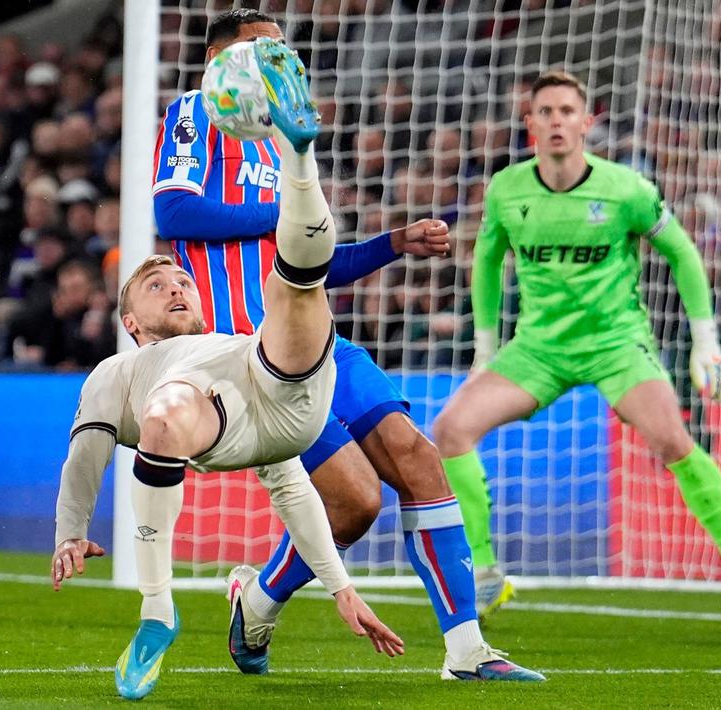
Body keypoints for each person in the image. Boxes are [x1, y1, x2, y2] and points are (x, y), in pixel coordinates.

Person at [150, 9, 542, 682]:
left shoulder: (286, 142)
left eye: (281, 51)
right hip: (250, 357)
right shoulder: (194, 113)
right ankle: (263, 600)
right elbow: (173, 212)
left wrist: (392, 245)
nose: (275, 63)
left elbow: (312, 260)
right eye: (257, 50)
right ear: (218, 60)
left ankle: (467, 651)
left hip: (319, 338)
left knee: (417, 458)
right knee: (356, 505)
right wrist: (284, 215)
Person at [51, 44, 402, 702]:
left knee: (294, 288)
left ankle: (299, 155)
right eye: (158, 284)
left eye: (183, 276)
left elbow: (291, 484)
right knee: (167, 410)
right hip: (212, 419)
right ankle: (158, 612)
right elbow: (84, 459)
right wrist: (70, 533)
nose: (178, 285)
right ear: (131, 322)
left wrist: (342, 590)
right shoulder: (114, 376)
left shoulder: (221, 340)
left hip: (276, 385)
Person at [431, 71, 721, 624]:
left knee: (671, 439)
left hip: (617, 343)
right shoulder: (506, 190)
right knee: (450, 431)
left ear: (587, 123)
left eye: (567, 110)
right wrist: (485, 349)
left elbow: (683, 253)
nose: (556, 120)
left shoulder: (625, 189)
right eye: (545, 111)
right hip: (539, 349)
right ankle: (487, 575)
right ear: (530, 125)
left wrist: (705, 342)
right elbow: (487, 261)